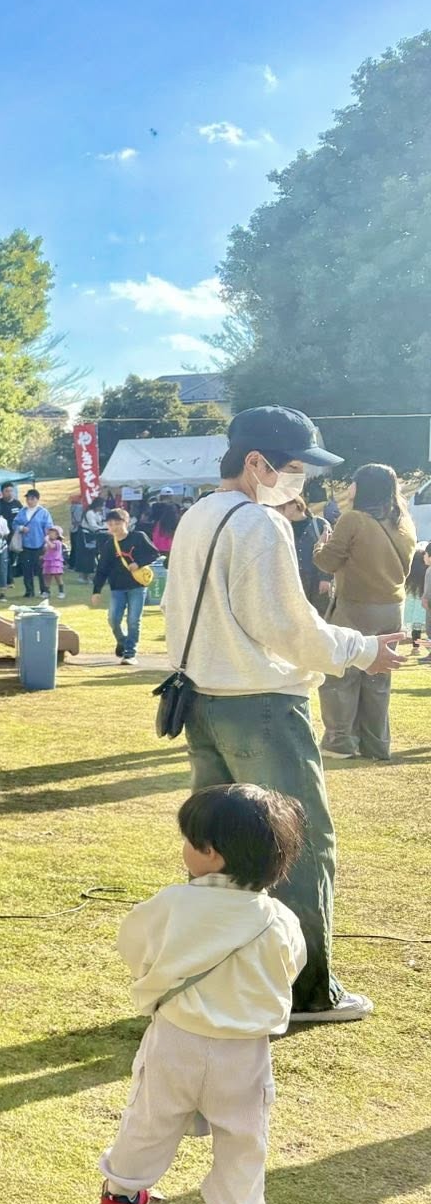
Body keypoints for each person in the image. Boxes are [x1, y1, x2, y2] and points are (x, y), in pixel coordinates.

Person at [162, 407, 407, 1025]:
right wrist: (362, 649)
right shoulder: (258, 521)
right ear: (257, 463)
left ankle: (218, 973)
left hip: (202, 699)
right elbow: (286, 626)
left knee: (217, 846)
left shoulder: (198, 515)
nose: (303, 480)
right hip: (263, 703)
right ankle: (305, 990)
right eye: (295, 467)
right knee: (297, 843)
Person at [98, 784, 306, 1204]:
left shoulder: (172, 903)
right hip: (244, 1050)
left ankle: (122, 1193)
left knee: (150, 1116)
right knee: (243, 1134)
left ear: (211, 852)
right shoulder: (278, 918)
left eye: (190, 840)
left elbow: (134, 945)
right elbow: (290, 967)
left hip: (177, 1037)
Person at [313, 463, 415, 761]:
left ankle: (340, 742)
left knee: (342, 672)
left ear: (362, 487)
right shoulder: (404, 523)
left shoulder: (353, 519)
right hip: (392, 609)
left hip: (355, 606)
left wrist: (319, 547)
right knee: (378, 677)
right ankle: (376, 744)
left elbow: (327, 562)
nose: (349, 488)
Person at [91, 507, 158, 664]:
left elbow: (154, 553)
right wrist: (96, 591)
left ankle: (130, 653)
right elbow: (102, 569)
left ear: (126, 522)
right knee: (113, 619)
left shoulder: (138, 537)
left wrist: (138, 563)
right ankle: (122, 641)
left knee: (134, 620)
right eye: (110, 524)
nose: (114, 527)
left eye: (117, 523)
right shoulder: (109, 545)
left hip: (137, 585)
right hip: (117, 587)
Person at [278, 495, 326, 608]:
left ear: (295, 505)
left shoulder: (319, 524)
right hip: (296, 581)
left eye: (282, 507)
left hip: (317, 579)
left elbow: (328, 551)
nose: (279, 511)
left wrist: (325, 578)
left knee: (321, 613)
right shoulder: (283, 527)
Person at [13, 488, 54, 598]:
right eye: (28, 499)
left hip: (40, 544)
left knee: (41, 569)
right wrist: (21, 528)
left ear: (37, 499)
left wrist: (47, 542)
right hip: (25, 545)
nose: (29, 501)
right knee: (27, 569)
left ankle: (44, 590)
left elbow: (49, 528)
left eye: (32, 499)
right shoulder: (22, 512)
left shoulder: (43, 512)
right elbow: (14, 524)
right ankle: (29, 590)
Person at [41, 525, 68, 601]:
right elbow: (47, 550)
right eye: (50, 533)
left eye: (53, 533)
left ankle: (61, 592)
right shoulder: (48, 543)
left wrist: (47, 540)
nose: (50, 535)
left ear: (57, 535)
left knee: (57, 577)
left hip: (56, 562)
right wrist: (43, 556)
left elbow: (52, 546)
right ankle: (46, 591)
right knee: (47, 577)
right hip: (48, 562)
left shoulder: (58, 542)